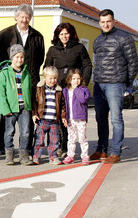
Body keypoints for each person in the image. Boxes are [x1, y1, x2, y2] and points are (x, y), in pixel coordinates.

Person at [0, 4, 45, 155]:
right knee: (8, 115)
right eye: (21, 16)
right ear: (16, 17)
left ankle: (26, 148)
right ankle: (5, 147)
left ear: (30, 18)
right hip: (10, 79)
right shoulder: (5, 34)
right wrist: (8, 71)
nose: (24, 19)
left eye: (27, 17)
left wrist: (32, 73)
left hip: (29, 79)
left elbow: (40, 57)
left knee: (27, 116)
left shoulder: (37, 36)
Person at [91, 9, 138, 164]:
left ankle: (115, 152)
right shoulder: (97, 40)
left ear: (113, 21)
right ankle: (101, 150)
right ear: (99, 23)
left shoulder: (124, 38)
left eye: (108, 21)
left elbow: (133, 62)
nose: (106, 24)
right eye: (103, 22)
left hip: (115, 84)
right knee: (100, 119)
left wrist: (126, 83)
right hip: (99, 85)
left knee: (116, 119)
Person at [44, 22, 92, 159]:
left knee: (70, 117)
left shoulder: (79, 48)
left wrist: (83, 84)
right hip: (58, 88)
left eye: (66, 33)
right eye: (61, 34)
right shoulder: (53, 50)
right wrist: (48, 83)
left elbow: (87, 65)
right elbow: (47, 67)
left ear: (71, 34)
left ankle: (68, 147)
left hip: (73, 90)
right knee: (58, 117)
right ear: (57, 36)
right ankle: (57, 146)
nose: (64, 36)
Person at [0, 44, 33, 166]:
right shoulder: (4, 73)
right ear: (12, 57)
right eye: (17, 57)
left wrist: (30, 106)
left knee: (26, 132)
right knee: (9, 132)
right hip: (10, 109)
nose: (19, 60)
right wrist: (5, 109)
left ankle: (24, 156)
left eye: (22, 57)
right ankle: (9, 155)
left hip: (24, 108)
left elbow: (30, 91)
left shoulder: (26, 73)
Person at [32, 66, 67, 165]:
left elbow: (63, 105)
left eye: (55, 78)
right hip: (42, 120)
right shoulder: (39, 89)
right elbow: (34, 103)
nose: (53, 80)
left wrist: (63, 117)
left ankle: (53, 157)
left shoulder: (59, 91)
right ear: (44, 78)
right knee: (39, 140)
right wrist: (34, 114)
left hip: (54, 121)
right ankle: (36, 156)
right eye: (50, 78)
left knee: (54, 140)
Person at [62, 69, 90, 165]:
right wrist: (64, 117)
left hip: (81, 118)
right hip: (70, 119)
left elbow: (82, 100)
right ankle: (70, 156)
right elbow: (64, 105)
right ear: (69, 79)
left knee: (82, 138)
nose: (76, 81)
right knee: (71, 139)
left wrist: (76, 89)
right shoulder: (65, 90)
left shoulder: (84, 90)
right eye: (74, 79)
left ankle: (85, 156)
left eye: (78, 78)